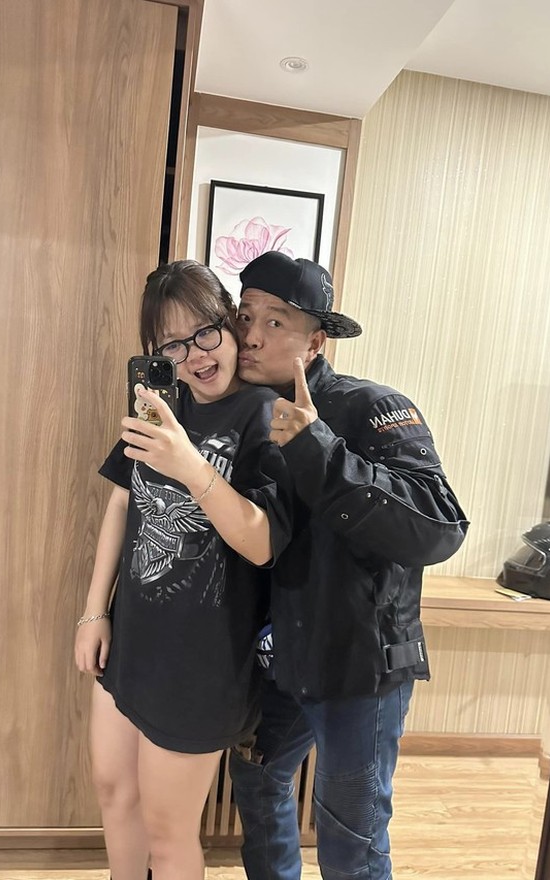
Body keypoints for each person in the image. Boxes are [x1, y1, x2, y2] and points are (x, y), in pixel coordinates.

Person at [229, 251, 469, 880]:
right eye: (245, 315)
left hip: (361, 666)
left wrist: (318, 449)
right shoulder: (241, 412)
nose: (252, 335)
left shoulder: (372, 407)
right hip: (280, 658)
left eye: (276, 322)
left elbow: (440, 526)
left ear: (316, 342)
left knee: (350, 839)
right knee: (255, 779)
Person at [74, 260, 292, 880]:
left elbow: (263, 544)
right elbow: (123, 502)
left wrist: (190, 464)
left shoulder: (265, 416)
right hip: (131, 640)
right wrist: (93, 612)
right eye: (172, 343)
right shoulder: (161, 408)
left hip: (203, 663)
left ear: (230, 325)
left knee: (169, 834)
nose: (194, 354)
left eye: (205, 331)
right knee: (115, 794)